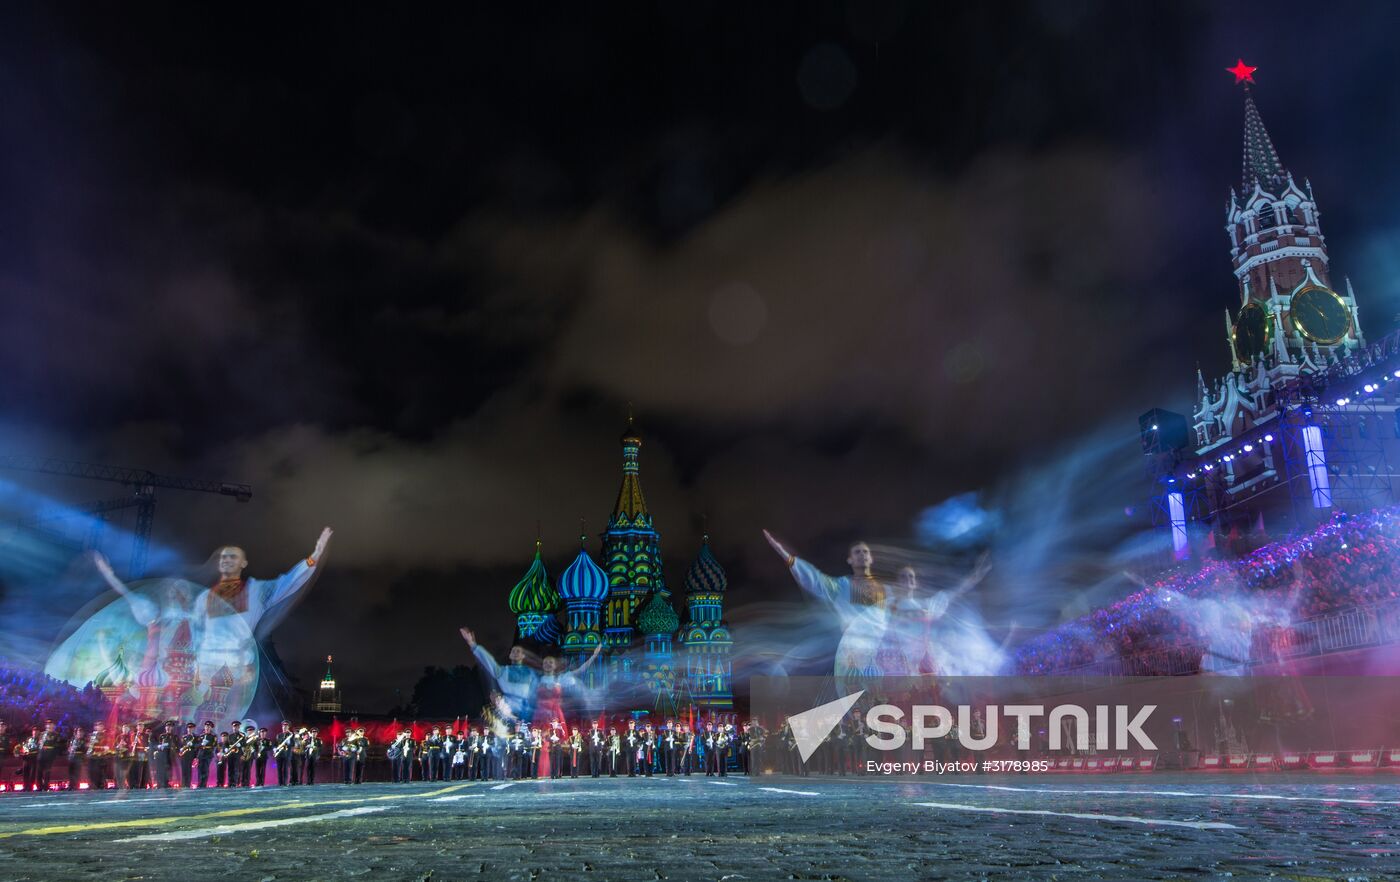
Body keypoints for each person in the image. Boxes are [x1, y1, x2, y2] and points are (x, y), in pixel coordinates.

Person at [195, 720, 218, 788]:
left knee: (205, 769)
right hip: (201, 755)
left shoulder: (213, 736)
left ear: (211, 728)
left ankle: (203, 784)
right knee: (200, 769)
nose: (207, 728)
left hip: (208, 755)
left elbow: (214, 745)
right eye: (206, 726)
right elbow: (197, 745)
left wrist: (207, 744)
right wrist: (201, 744)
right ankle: (199, 783)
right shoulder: (201, 736)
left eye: (209, 727)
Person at [273, 721, 297, 786]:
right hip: (279, 754)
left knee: (286, 769)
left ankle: (285, 782)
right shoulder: (279, 735)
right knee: (279, 769)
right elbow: (275, 744)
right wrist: (274, 749)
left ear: (288, 727)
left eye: (286, 726)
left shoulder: (291, 735)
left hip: (287, 754)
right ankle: (280, 783)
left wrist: (288, 741)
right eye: (283, 726)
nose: (284, 727)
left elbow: (293, 744)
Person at [67, 725, 88, 790]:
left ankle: (76, 785)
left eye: (81, 732)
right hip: (72, 757)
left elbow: (84, 748)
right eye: (78, 732)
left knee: (77, 772)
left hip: (79, 757)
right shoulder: (72, 739)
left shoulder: (84, 740)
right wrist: (70, 749)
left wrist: (76, 748)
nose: (80, 733)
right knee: (71, 772)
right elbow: (69, 747)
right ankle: (71, 785)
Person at [178, 722, 198, 787]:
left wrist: (193, 745)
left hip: (191, 754)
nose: (189, 729)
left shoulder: (196, 737)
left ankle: (188, 784)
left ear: (193, 729)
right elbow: (180, 745)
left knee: (189, 770)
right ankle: (183, 784)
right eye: (188, 728)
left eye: (191, 728)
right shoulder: (184, 737)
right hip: (183, 755)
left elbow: (198, 746)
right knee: (183, 769)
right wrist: (181, 749)